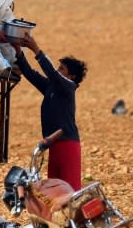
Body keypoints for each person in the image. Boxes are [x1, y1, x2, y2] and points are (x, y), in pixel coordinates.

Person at [12, 35, 87, 190]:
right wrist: (18, 51)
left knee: (70, 192)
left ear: (71, 76)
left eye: (62, 69)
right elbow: (31, 74)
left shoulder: (69, 87)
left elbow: (51, 73)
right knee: (55, 192)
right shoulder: (51, 87)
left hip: (67, 146)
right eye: (59, 67)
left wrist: (36, 49)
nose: (58, 70)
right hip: (53, 145)